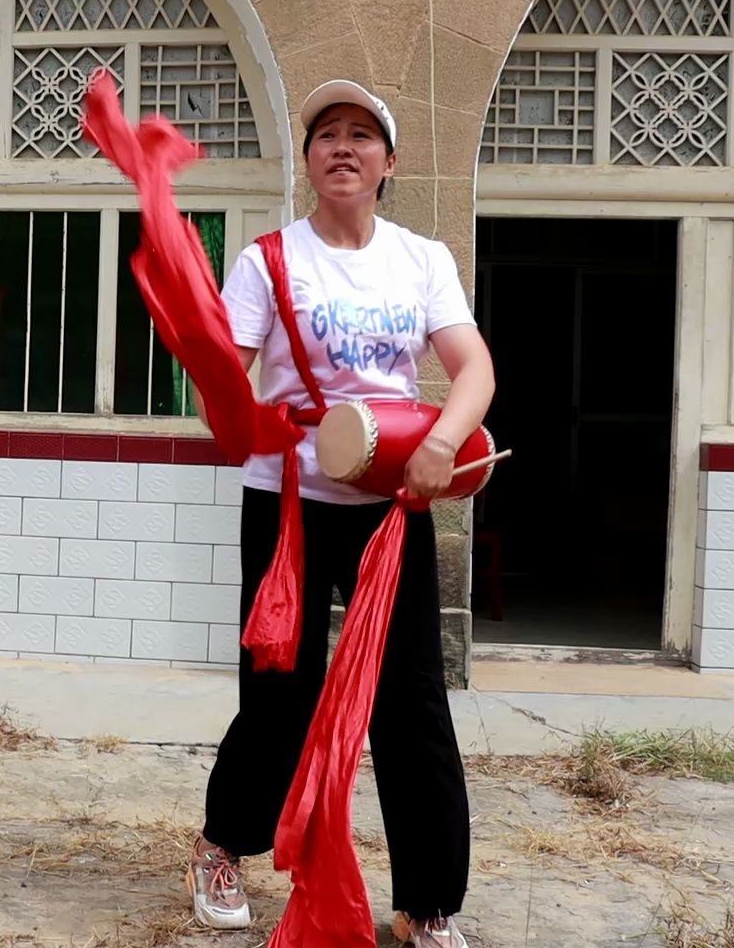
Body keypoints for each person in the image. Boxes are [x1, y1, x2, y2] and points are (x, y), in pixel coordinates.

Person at [186, 81, 494, 948]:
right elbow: (227, 377)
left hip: (393, 502)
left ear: (389, 164)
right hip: (287, 503)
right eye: (327, 135)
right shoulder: (268, 261)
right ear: (311, 162)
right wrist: (221, 387)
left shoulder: (422, 258)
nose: (343, 147)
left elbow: (473, 369)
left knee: (412, 704)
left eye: (362, 135)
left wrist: (445, 443)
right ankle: (223, 846)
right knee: (281, 693)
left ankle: (426, 902)